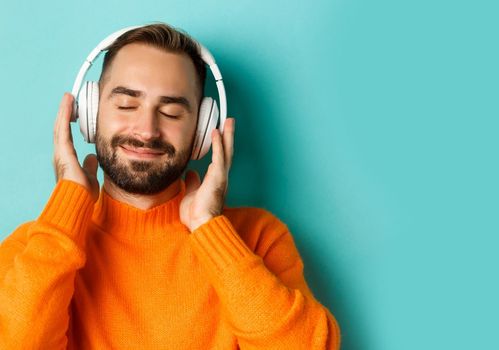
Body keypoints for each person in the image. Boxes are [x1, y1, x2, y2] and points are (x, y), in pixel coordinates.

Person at [0, 23, 341, 349]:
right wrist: (67, 206)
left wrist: (209, 229)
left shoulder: (257, 238)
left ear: (203, 130)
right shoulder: (35, 248)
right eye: (126, 104)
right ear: (89, 114)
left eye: (172, 112)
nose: (147, 130)